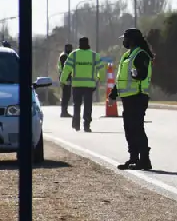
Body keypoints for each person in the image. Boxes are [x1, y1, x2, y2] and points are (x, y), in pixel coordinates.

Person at [110, 28, 155, 171]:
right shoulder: (127, 56)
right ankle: (133, 158)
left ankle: (144, 160)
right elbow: (121, 78)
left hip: (138, 97)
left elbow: (142, 74)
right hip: (127, 98)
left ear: (132, 40)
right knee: (129, 129)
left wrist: (137, 74)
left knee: (137, 129)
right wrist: (113, 94)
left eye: (126, 39)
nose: (124, 41)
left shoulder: (141, 54)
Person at [60, 36, 103, 132]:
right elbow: (101, 68)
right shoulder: (94, 55)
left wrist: (62, 81)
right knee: (88, 106)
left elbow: (66, 68)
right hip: (89, 86)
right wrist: (100, 79)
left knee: (76, 105)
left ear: (79, 44)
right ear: (88, 43)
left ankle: (76, 125)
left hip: (76, 85)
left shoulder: (73, 55)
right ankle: (86, 126)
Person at [58, 43, 73, 118]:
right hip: (65, 78)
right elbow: (65, 68)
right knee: (65, 95)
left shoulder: (64, 55)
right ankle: (64, 112)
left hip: (65, 78)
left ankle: (64, 111)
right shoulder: (64, 56)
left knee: (67, 95)